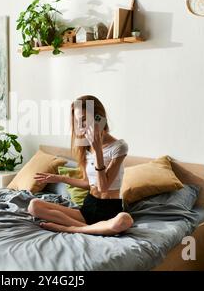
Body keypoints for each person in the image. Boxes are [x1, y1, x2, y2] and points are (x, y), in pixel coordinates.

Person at [28, 95, 134, 235]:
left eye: (84, 120)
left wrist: (97, 151)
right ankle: (89, 228)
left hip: (110, 211)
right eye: (78, 122)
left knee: (124, 220)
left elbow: (103, 188)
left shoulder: (119, 147)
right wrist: (58, 178)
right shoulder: (86, 148)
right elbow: (88, 183)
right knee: (34, 206)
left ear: (99, 117)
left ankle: (71, 228)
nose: (81, 127)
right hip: (88, 207)